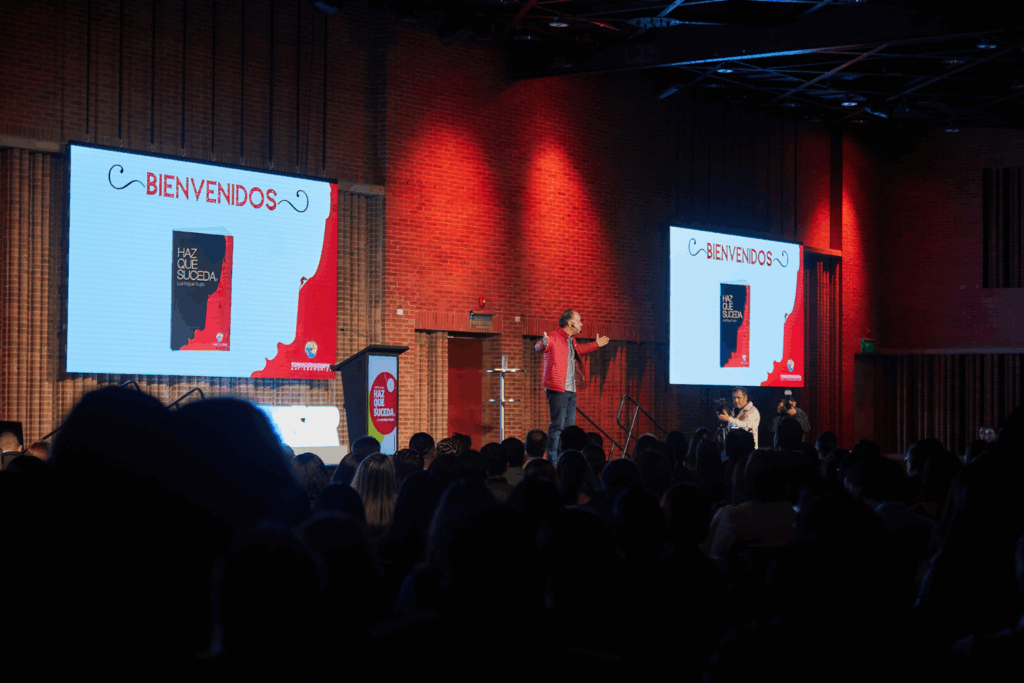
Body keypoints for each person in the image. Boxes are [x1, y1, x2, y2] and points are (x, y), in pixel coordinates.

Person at [535, 308, 610, 463]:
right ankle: (553, 461)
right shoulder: (554, 337)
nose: (581, 323)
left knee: (570, 428)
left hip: (571, 389)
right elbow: (541, 346)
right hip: (558, 388)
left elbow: (580, 350)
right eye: (579, 320)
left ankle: (568, 459)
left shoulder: (571, 340)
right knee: (558, 426)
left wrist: (596, 344)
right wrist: (542, 343)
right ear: (570, 323)